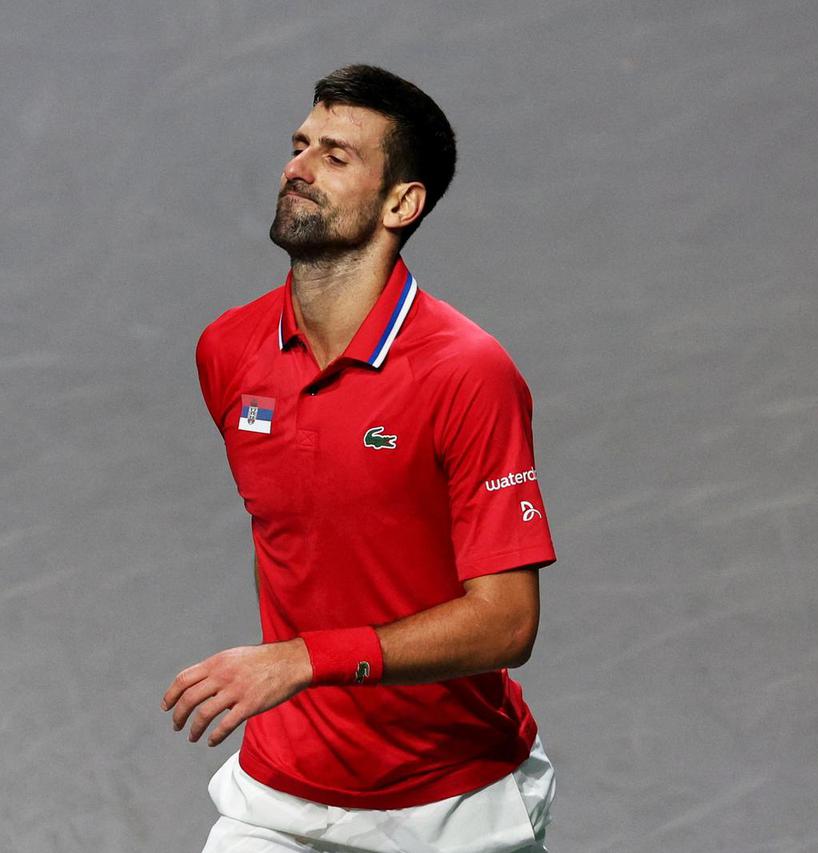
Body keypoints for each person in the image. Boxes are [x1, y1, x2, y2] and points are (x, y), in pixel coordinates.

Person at [162, 64, 558, 852]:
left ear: (401, 203)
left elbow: (508, 622)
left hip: (454, 806)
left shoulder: (465, 372)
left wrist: (304, 659)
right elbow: (298, 535)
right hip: (279, 796)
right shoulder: (229, 351)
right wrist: (297, 667)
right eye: (301, 145)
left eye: (336, 157)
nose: (298, 167)